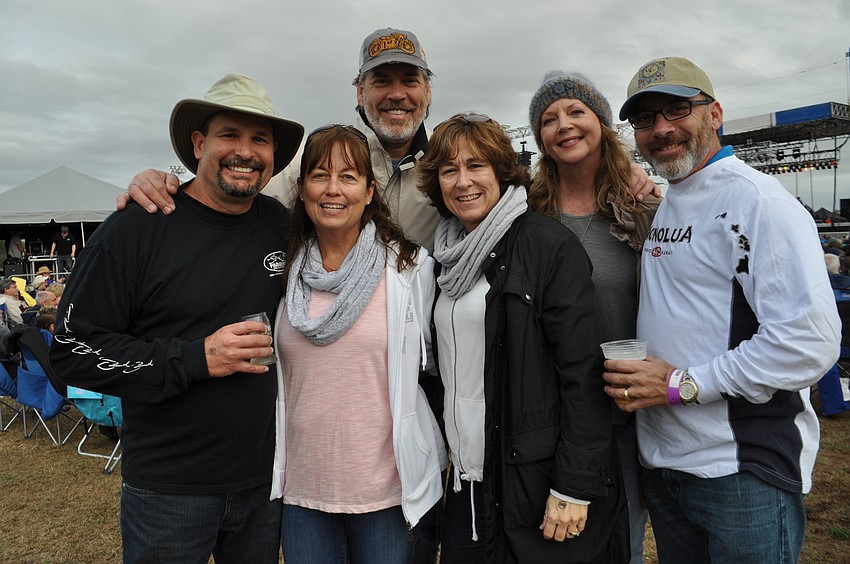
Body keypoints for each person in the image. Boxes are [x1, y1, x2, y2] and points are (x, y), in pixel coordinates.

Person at [49, 73, 305, 564]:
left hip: (264, 485)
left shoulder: (281, 224)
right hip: (168, 490)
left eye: (260, 139)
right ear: (198, 143)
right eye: (229, 134)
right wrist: (195, 358)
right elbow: (71, 349)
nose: (245, 151)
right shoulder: (136, 228)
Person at [604, 57, 840, 564]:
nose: (661, 129)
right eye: (645, 119)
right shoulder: (671, 199)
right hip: (667, 466)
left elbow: (808, 341)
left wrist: (681, 384)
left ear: (714, 113)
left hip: (740, 469)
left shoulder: (758, 202)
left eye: (676, 110)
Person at [418, 113, 628, 563]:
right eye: (449, 170)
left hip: (533, 484)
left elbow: (582, 374)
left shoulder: (546, 245)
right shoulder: (444, 257)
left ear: (501, 170)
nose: (463, 181)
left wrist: (574, 484)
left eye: (476, 166)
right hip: (466, 480)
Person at [271, 124, 445, 563]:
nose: (333, 190)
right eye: (320, 175)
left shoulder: (410, 267)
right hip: (303, 491)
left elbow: (432, 362)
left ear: (369, 192)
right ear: (302, 188)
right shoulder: (281, 267)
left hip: (385, 492)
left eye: (348, 177)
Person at [120, 27, 441, 253]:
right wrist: (163, 187)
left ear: (426, 92)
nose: (397, 94)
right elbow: (223, 192)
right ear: (360, 91)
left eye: (410, 81)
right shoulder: (302, 162)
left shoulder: (448, 167)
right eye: (382, 81)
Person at [526, 70, 657, 564]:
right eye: (548, 118)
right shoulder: (525, 212)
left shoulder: (644, 210)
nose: (563, 124)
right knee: (550, 542)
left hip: (626, 406)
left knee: (620, 542)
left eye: (576, 111)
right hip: (549, 411)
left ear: (602, 122)